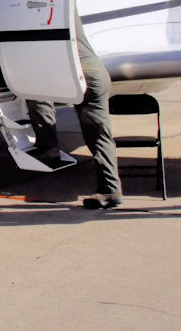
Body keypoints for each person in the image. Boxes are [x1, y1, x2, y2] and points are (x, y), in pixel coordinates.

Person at [28, 12, 123, 209]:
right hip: (97, 74)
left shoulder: (44, 14)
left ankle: (48, 147)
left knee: (35, 90)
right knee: (100, 138)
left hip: (80, 76)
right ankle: (111, 190)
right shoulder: (66, 6)